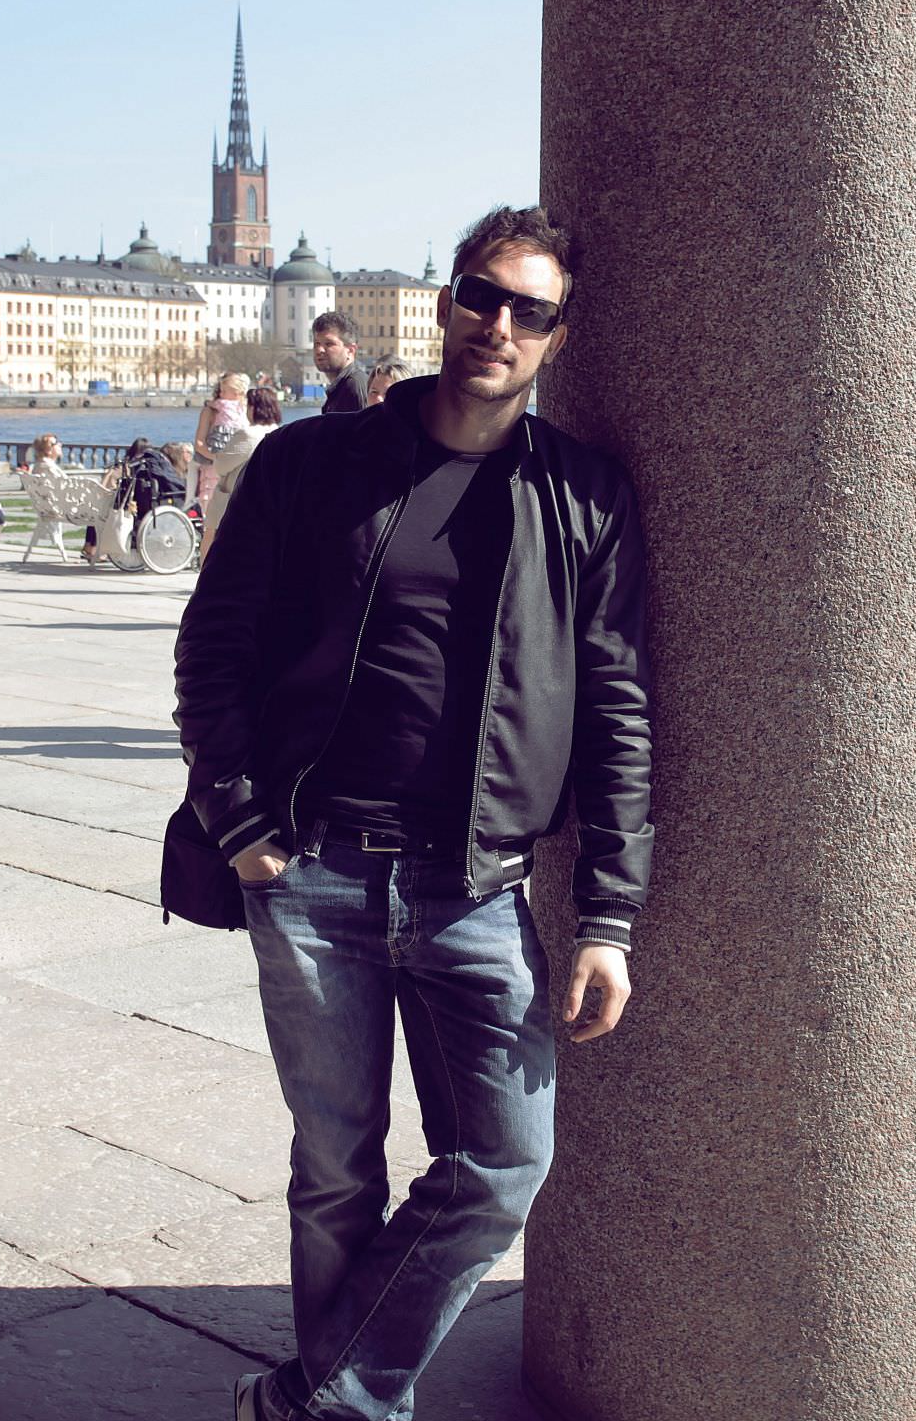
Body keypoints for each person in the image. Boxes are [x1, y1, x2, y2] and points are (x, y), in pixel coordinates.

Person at [177, 205, 649, 1421]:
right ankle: (344, 1406)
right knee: (334, 1168)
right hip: (315, 870)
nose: (498, 325)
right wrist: (239, 822)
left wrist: (608, 915)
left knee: (505, 1159)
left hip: (477, 884)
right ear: (444, 302)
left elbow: (617, 711)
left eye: (529, 310)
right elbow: (213, 647)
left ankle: (321, 1399)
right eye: (481, 296)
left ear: (557, 335)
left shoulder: (584, 497)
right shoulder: (309, 466)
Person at [206, 385, 280, 533]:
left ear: (253, 409)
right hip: (264, 504)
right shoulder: (279, 431)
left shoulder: (248, 435)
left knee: (210, 544)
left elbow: (220, 466)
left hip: (232, 503)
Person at [192, 374, 249, 511]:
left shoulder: (246, 410)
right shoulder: (211, 410)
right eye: (220, 390)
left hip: (238, 468)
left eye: (224, 391)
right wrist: (217, 459)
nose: (220, 394)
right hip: (214, 466)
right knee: (211, 505)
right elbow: (199, 444)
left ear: (236, 392)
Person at [314, 312, 369, 414]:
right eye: (317, 343)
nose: (319, 350)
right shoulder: (338, 389)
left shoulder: (355, 385)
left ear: (350, 350)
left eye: (329, 344)